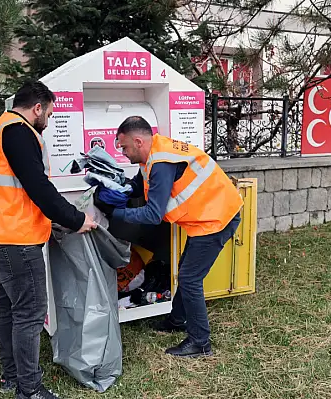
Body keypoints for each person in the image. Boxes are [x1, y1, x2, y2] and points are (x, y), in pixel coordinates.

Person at [0, 80, 97, 399]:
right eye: (49, 115)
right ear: (37, 108)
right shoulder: (19, 131)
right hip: (14, 240)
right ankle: (29, 389)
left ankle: (11, 377)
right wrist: (76, 218)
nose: (49, 121)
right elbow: (38, 188)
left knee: (6, 307)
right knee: (29, 312)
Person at [94, 116, 243, 358]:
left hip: (218, 218)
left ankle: (200, 342)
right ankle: (178, 320)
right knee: (187, 271)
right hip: (206, 217)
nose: (123, 153)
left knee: (190, 278)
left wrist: (115, 213)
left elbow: (154, 214)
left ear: (138, 141)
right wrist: (120, 189)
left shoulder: (161, 163)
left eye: (124, 147)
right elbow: (139, 182)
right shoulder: (154, 152)